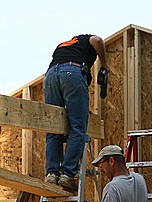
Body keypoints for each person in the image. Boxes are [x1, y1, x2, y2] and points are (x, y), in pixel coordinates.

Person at [44, 34, 110, 192]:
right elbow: (98, 40)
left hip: (50, 77)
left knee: (54, 129)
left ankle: (52, 173)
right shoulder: (86, 39)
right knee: (78, 128)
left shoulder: (63, 45)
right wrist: (104, 64)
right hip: (72, 73)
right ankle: (67, 174)